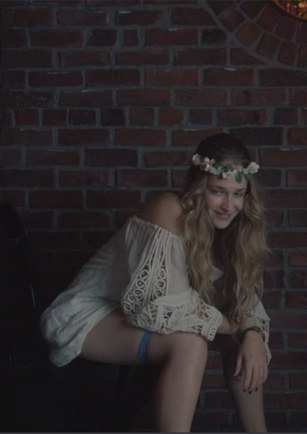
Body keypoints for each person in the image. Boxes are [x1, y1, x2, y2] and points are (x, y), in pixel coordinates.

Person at [40, 133, 271, 432]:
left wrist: (251, 332)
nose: (229, 204)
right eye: (218, 191)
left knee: (244, 341)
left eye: (238, 193)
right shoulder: (168, 209)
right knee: (191, 343)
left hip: (132, 318)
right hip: (88, 316)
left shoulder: (232, 233)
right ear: (199, 188)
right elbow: (161, 306)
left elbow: (247, 304)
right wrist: (239, 326)